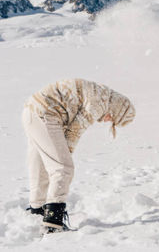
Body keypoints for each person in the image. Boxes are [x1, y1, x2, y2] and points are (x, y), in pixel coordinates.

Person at [21, 78, 135, 233]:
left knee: (40, 165)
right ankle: (53, 221)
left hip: (31, 111)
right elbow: (75, 130)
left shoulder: (100, 92)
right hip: (46, 114)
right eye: (113, 118)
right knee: (63, 168)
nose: (107, 121)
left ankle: (37, 210)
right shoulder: (101, 101)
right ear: (117, 108)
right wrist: (65, 155)